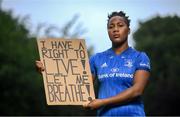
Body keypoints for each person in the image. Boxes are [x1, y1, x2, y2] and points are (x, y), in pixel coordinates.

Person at [36, 11, 150, 116]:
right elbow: (77, 89)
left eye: (120, 25)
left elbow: (137, 90)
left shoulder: (140, 57)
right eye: (111, 27)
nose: (115, 29)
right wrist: (48, 73)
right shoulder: (97, 58)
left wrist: (103, 102)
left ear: (128, 30)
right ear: (108, 31)